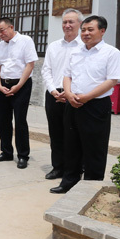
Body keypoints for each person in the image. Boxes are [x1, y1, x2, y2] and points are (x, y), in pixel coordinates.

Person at [51, 15, 120, 194]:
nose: (85, 33)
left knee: (94, 147)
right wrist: (68, 94)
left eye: (90, 30)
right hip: (73, 104)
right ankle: (69, 181)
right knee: (71, 144)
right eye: (83, 30)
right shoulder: (76, 51)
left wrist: (87, 97)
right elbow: (67, 75)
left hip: (96, 106)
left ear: (102, 31)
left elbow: (112, 81)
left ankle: (91, 186)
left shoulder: (111, 53)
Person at [41, 9, 83, 180]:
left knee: (74, 134)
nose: (67, 25)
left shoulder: (84, 47)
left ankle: (74, 169)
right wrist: (53, 90)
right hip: (54, 94)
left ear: (80, 24)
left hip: (74, 96)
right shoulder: (53, 46)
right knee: (56, 133)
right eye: (65, 22)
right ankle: (57, 167)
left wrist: (69, 93)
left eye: (71, 22)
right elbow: (46, 70)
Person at [0, 17, 38, 169]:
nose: (0, 34)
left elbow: (30, 65)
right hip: (3, 85)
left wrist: (18, 86)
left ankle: (23, 155)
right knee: (3, 120)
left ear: (11, 27)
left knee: (20, 120)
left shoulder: (25, 40)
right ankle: (6, 152)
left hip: (21, 85)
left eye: (2, 30)